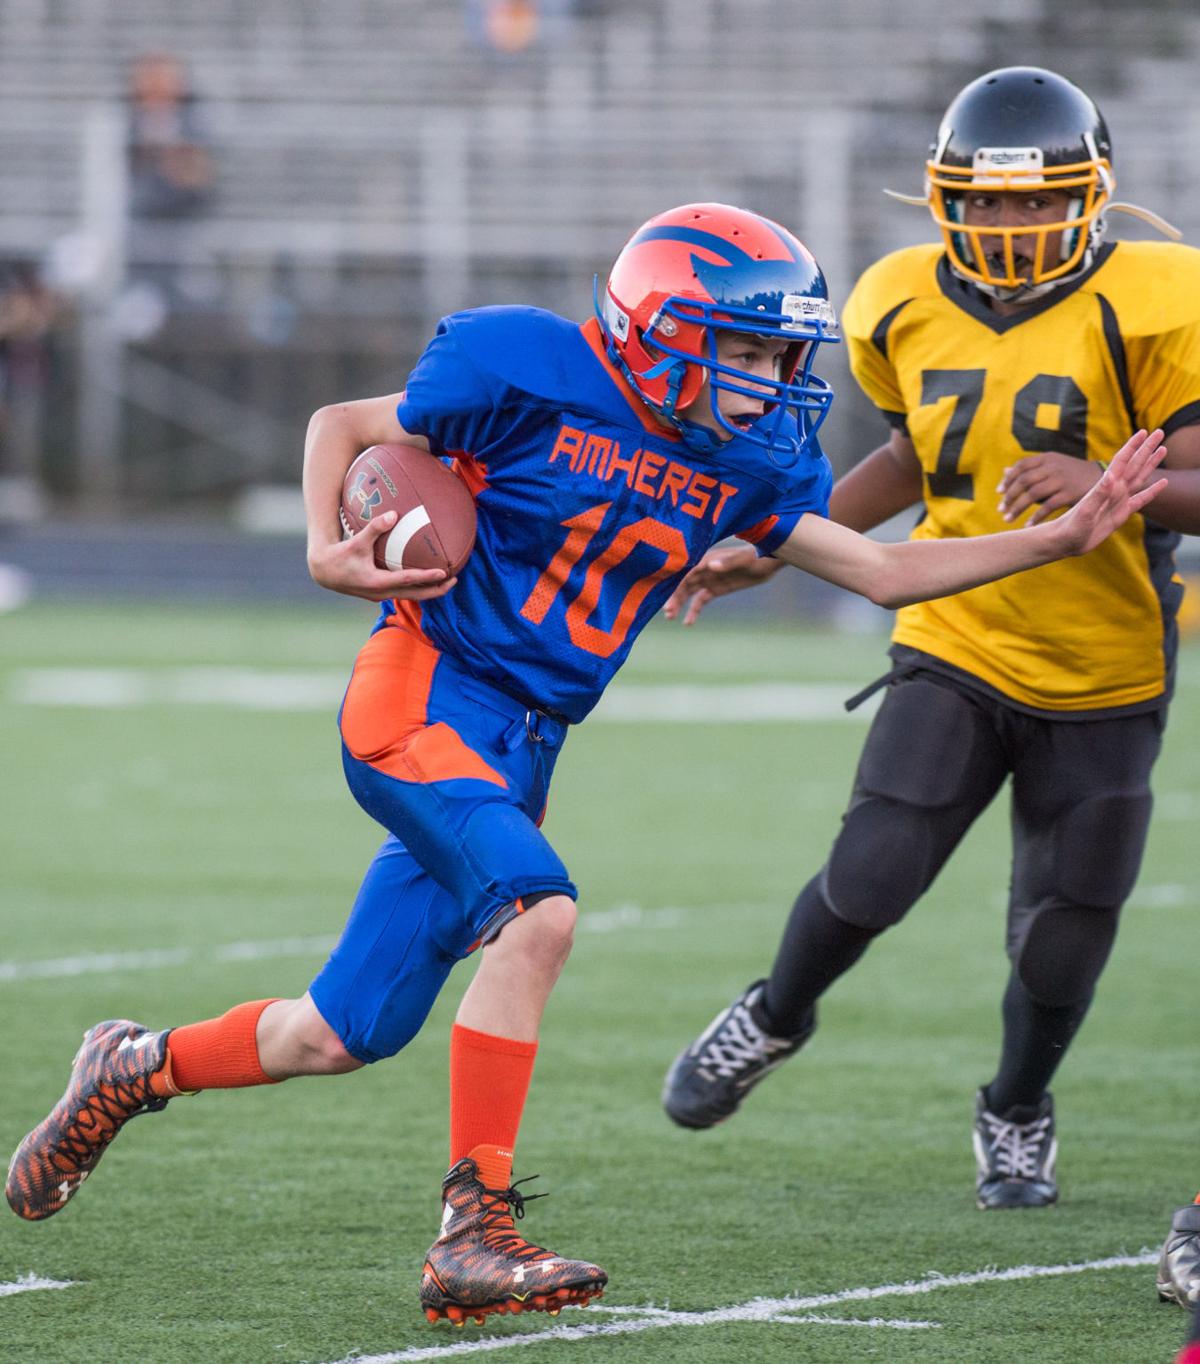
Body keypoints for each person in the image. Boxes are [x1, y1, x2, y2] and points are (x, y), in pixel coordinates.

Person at [4, 201, 1165, 1326]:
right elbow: (343, 425)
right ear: (661, 333)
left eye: (779, 351)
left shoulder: (746, 460)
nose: (774, 376)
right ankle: (474, 1226)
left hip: (521, 744)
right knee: (540, 914)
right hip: (423, 690)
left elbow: (882, 570)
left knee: (337, 1031)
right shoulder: (523, 368)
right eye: (750, 348)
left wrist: (1060, 536)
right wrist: (325, 548)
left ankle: (128, 1065)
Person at [660, 68, 1200, 1212]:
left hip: (1107, 661)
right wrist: (777, 542)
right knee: (873, 869)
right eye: (989, 202)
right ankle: (774, 1013)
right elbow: (915, 457)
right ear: (944, 198)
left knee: (1064, 938)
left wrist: (1121, 489)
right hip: (959, 624)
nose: (1011, 224)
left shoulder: (1159, 295)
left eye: (1037, 200)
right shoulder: (902, 295)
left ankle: (1015, 1107)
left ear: (1091, 195)